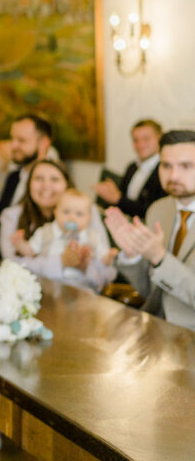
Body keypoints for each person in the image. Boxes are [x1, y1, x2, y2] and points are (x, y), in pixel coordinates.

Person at [106, 130, 195, 331]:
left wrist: (160, 258)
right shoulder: (158, 210)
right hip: (154, 325)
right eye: (166, 165)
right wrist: (132, 257)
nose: (174, 175)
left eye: (186, 166)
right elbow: (149, 290)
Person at [15, 189, 116, 292]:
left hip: (81, 287)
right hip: (48, 284)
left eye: (79, 214)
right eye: (66, 212)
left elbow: (102, 261)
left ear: (89, 218)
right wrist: (20, 244)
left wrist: (108, 258)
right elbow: (30, 251)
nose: (72, 218)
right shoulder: (45, 232)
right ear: (56, 212)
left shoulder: (93, 237)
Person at [94, 119, 165, 219]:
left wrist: (117, 198)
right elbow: (121, 200)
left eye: (146, 139)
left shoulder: (165, 170)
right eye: (135, 140)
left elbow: (155, 212)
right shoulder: (132, 167)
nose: (140, 145)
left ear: (160, 138)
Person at [0, 114, 55, 213]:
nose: (13, 145)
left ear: (43, 143)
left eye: (21, 140)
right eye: (12, 139)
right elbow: (1, 214)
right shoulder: (14, 176)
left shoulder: (53, 184)